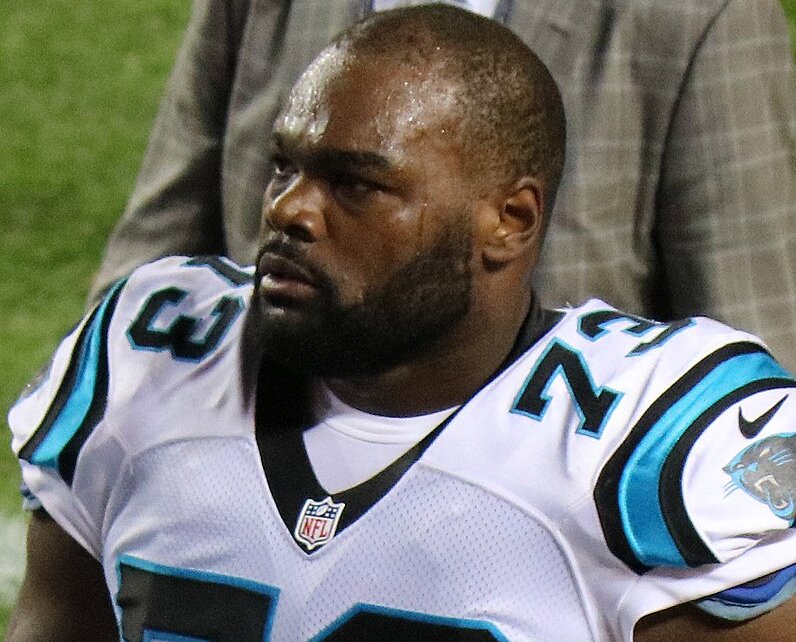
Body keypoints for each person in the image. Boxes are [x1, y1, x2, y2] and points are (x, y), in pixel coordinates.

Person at [8, 5, 796, 641]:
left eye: (355, 185)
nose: (287, 209)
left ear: (509, 221)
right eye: (286, 166)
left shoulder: (651, 446)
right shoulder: (145, 358)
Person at [87, 0, 796, 373]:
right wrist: (95, 406)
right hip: (269, 467)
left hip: (548, 522)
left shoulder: (696, 15)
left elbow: (755, 338)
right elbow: (160, 240)